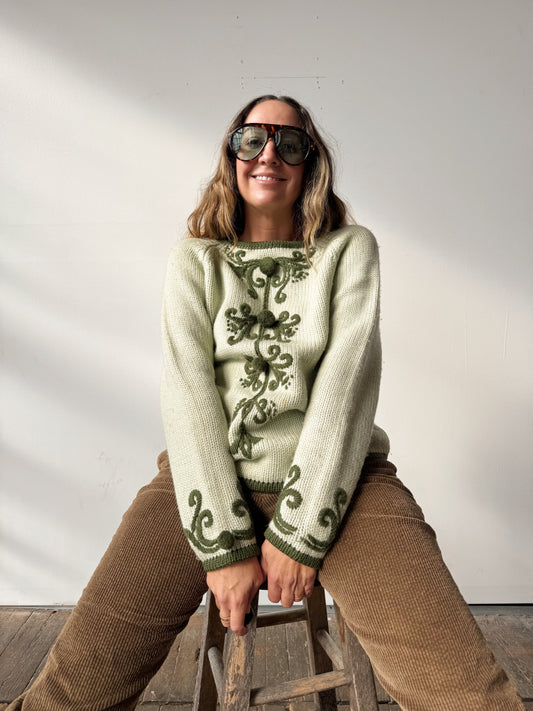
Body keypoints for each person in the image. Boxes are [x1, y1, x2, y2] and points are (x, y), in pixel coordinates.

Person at [8, 96, 524, 711]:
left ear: (311, 163)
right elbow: (188, 395)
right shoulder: (196, 260)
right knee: (72, 691)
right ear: (232, 155)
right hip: (204, 479)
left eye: (289, 142)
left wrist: (299, 534)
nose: (268, 154)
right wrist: (225, 546)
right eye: (252, 139)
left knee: (467, 693)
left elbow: (346, 389)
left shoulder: (349, 250)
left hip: (345, 483)